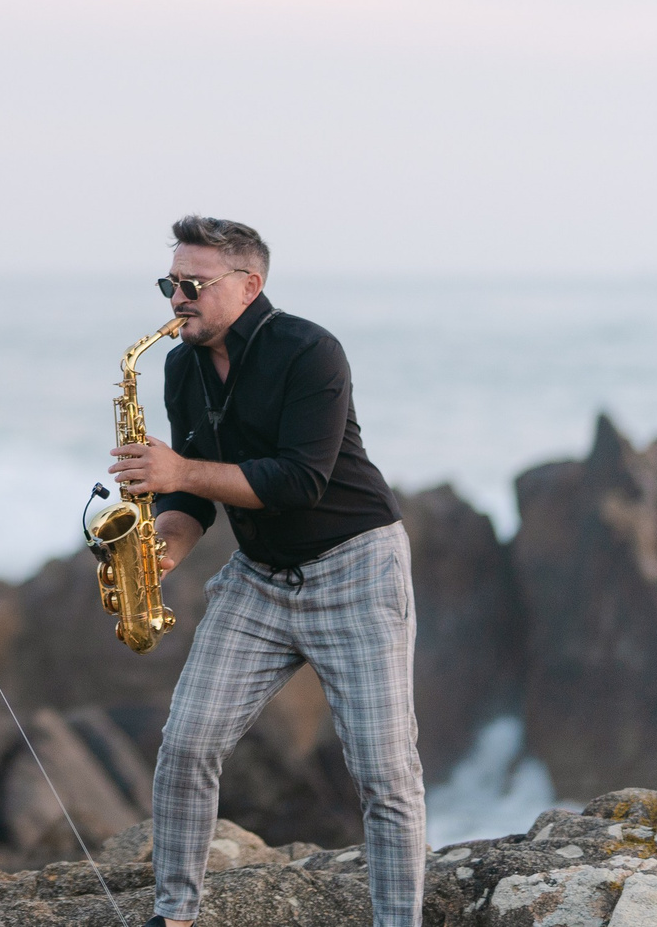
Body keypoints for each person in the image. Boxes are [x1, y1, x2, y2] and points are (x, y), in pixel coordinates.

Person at [106, 215, 420, 927]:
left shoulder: (311, 351)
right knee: (186, 742)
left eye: (193, 284)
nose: (177, 298)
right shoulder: (180, 364)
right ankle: (175, 913)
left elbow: (299, 480)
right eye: (170, 283)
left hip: (357, 569)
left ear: (250, 284)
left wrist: (179, 467)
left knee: (385, 772)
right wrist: (166, 545)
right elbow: (190, 495)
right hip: (259, 577)